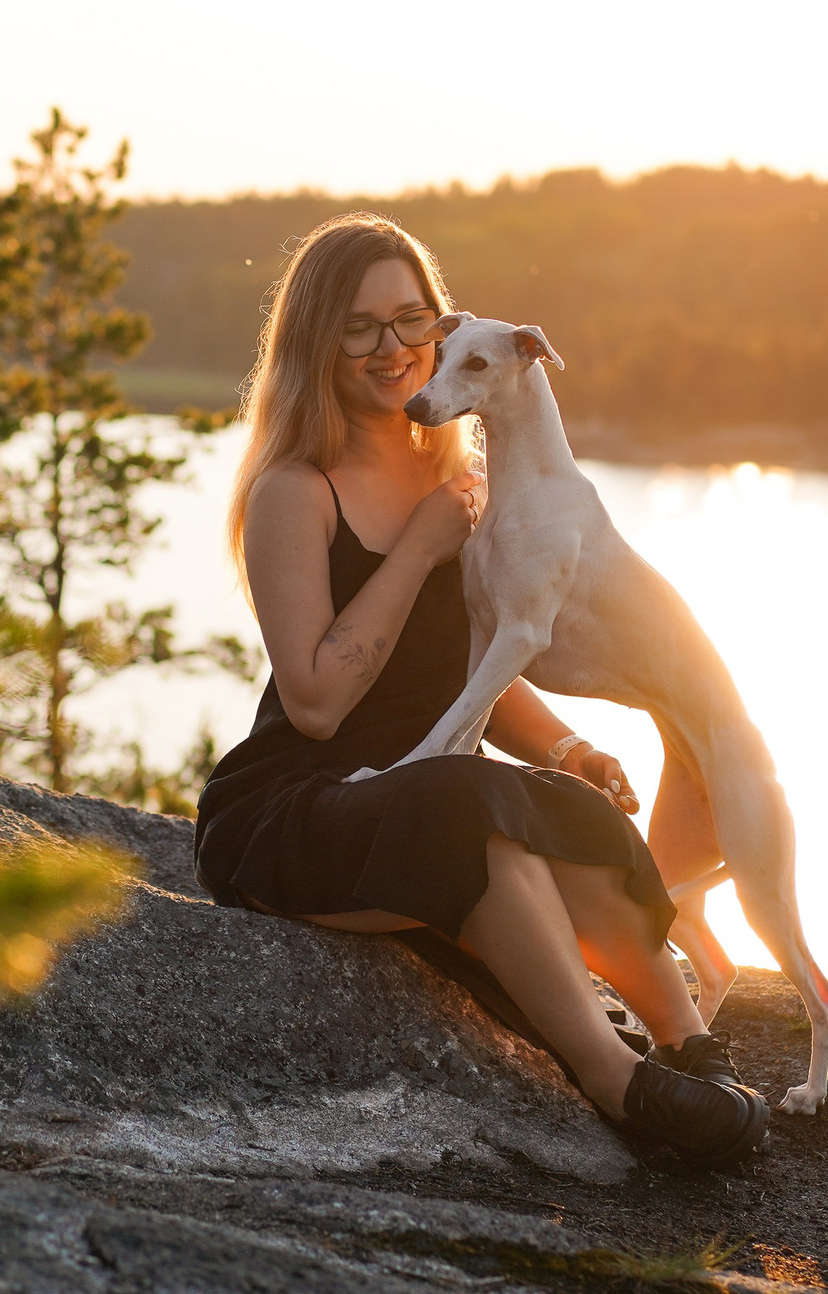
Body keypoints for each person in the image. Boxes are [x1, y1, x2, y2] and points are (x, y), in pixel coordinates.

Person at [194, 212, 772, 1164]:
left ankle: (691, 1046)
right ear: (315, 340)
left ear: (442, 324)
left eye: (410, 319)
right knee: (464, 810)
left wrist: (561, 749)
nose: (393, 349)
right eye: (359, 326)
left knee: (578, 817)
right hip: (298, 807)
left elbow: (475, 669)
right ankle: (615, 1079)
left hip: (424, 786)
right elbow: (317, 702)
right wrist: (420, 545)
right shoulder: (294, 491)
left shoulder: (462, 472)